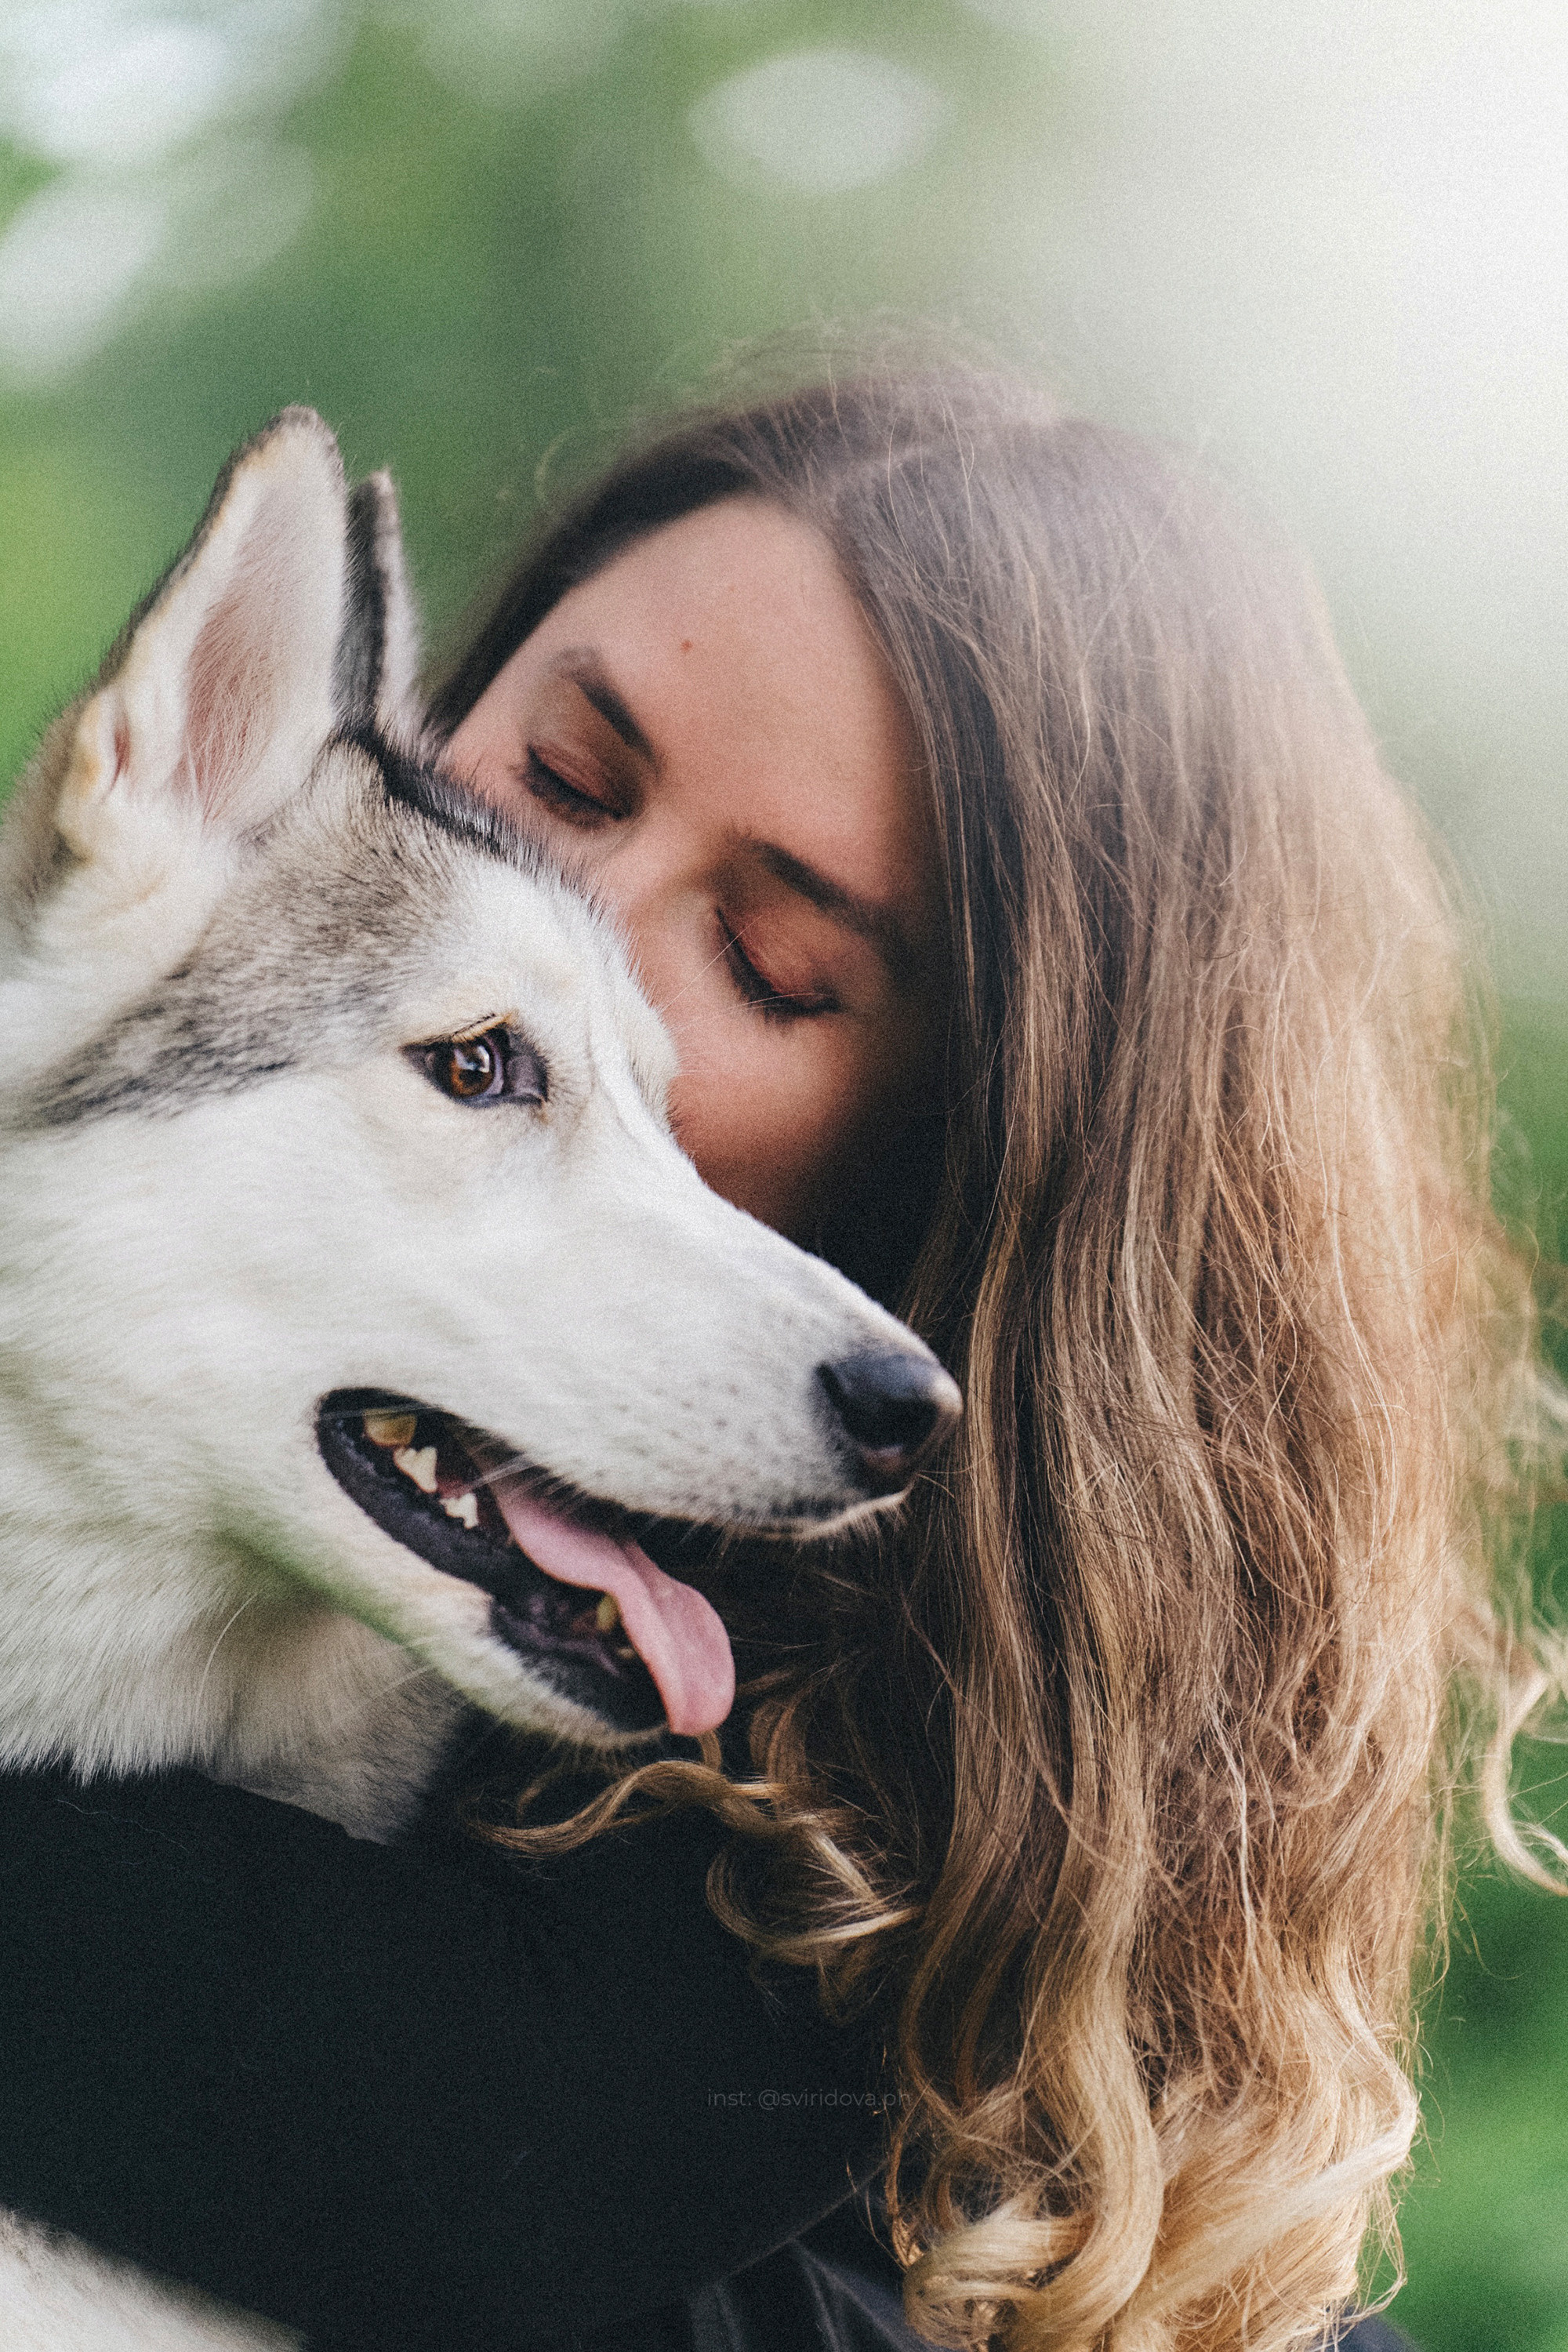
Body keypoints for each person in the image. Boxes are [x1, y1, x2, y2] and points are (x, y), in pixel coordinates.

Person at [0, 365, 1547, 2352]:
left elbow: (485, 2152)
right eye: (560, 777)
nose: (585, 939)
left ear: (962, 1159)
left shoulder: (833, 1877)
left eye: (773, 968)